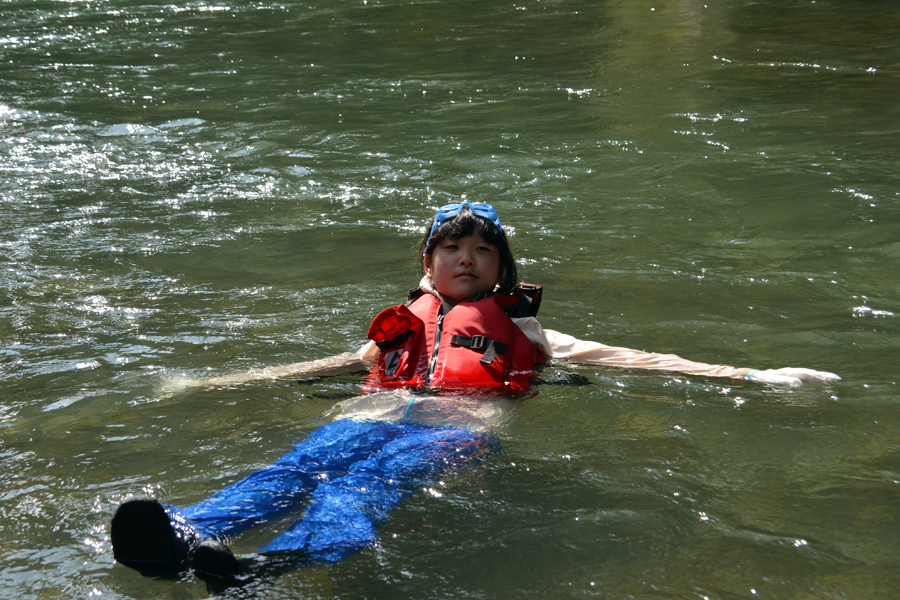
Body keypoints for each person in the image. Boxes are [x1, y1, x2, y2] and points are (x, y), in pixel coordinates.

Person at [111, 202, 839, 581]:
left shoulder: (530, 333)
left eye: (482, 248)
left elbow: (636, 358)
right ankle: (186, 534)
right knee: (294, 468)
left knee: (360, 490)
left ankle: (267, 569)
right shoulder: (402, 329)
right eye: (453, 247)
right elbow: (316, 368)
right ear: (428, 263)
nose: (467, 257)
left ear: (500, 269)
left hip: (457, 426)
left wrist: (748, 375)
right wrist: (205, 382)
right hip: (373, 410)